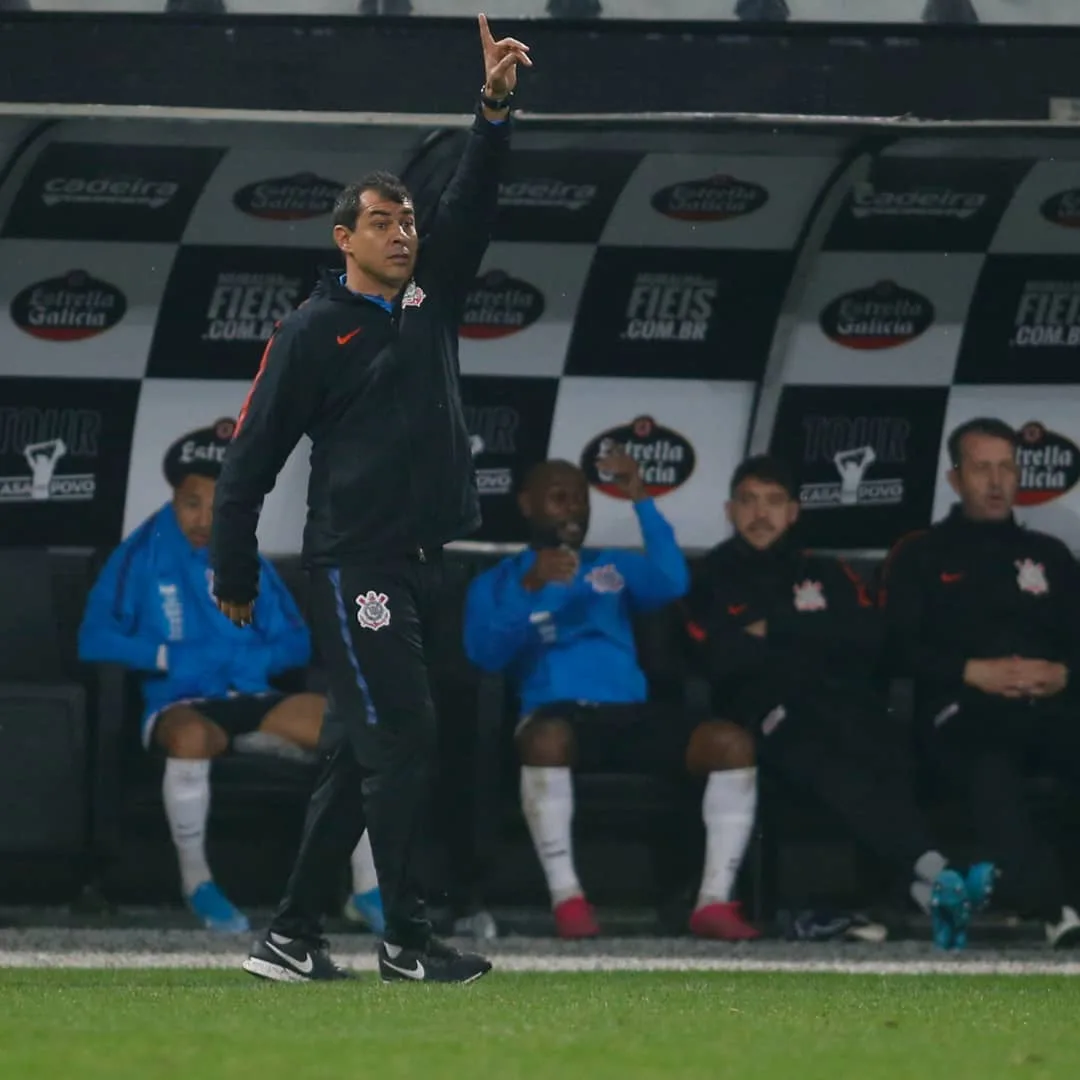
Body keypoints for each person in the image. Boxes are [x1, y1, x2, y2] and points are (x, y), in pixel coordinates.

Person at [209, 14, 532, 984]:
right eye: (383, 223)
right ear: (342, 237)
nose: (403, 235)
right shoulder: (312, 331)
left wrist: (493, 113)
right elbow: (251, 457)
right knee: (405, 742)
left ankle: (290, 936)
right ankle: (406, 939)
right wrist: (233, 569)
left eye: (408, 222)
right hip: (356, 562)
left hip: (422, 559)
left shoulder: (431, 301)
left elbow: (473, 201)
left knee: (360, 751)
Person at [77, 420, 384, 936]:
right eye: (192, 503)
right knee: (193, 737)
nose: (204, 518)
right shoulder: (138, 557)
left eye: (217, 505)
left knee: (356, 733)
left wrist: (253, 660)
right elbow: (94, 639)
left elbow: (296, 642)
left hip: (253, 698)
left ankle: (368, 888)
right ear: (174, 500)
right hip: (184, 703)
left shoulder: (246, 559)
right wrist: (170, 657)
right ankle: (197, 883)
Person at [685, 454, 999, 950]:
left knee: (886, 747)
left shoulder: (827, 572)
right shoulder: (709, 577)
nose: (760, 514)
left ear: (793, 512)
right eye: (748, 502)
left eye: (773, 502)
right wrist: (814, 636)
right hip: (765, 715)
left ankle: (918, 890)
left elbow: (871, 638)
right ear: (729, 510)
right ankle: (936, 874)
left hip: (846, 704)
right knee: (824, 757)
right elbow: (718, 656)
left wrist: (777, 629)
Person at [464, 453, 761, 941]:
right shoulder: (497, 581)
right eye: (560, 497)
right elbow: (485, 656)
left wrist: (640, 497)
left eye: (581, 497)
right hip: (555, 716)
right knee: (547, 741)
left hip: (630, 716)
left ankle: (713, 902)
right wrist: (531, 586)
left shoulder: (612, 567)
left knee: (731, 743)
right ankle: (569, 900)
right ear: (527, 504)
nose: (574, 508)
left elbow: (672, 579)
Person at [881, 417, 1080, 948]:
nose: (996, 482)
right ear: (954, 479)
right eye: (981, 469)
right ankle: (1054, 907)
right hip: (960, 711)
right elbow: (894, 648)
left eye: (1007, 468)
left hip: (1048, 705)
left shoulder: (1051, 556)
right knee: (990, 755)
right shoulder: (921, 553)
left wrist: (1064, 673)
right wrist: (971, 671)